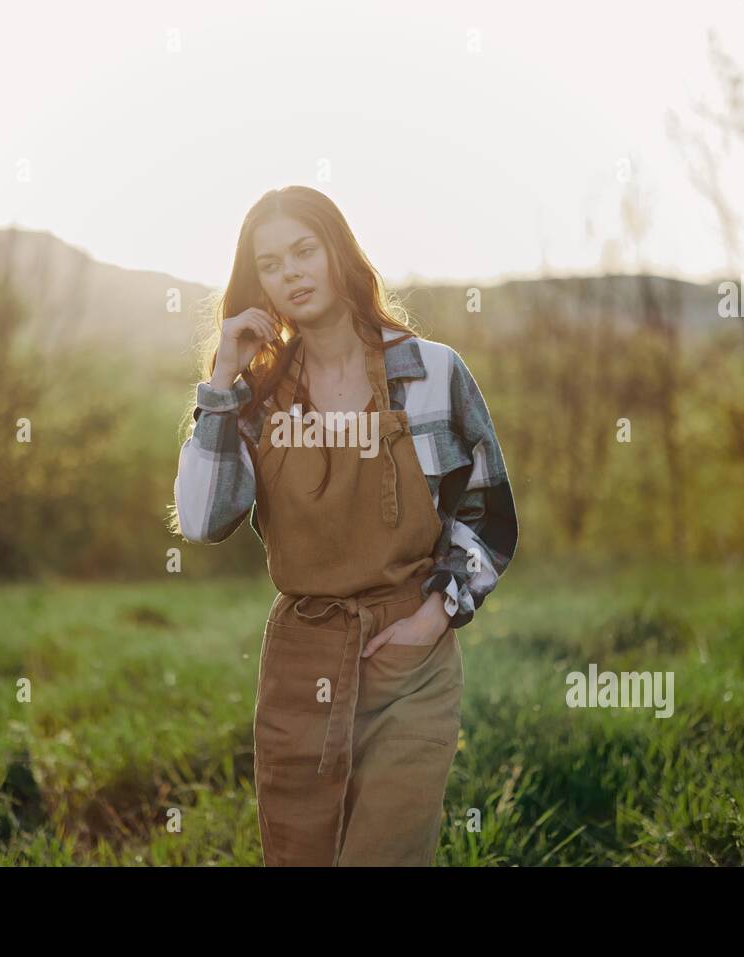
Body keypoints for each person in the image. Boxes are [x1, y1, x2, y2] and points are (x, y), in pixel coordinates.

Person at [170, 185, 518, 866]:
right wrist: (222, 378)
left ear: (339, 253)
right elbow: (202, 518)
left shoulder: (431, 372)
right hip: (302, 661)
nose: (292, 272)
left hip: (407, 659)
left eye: (305, 250)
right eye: (271, 263)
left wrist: (432, 618)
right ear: (256, 282)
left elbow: (489, 512)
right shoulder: (258, 395)